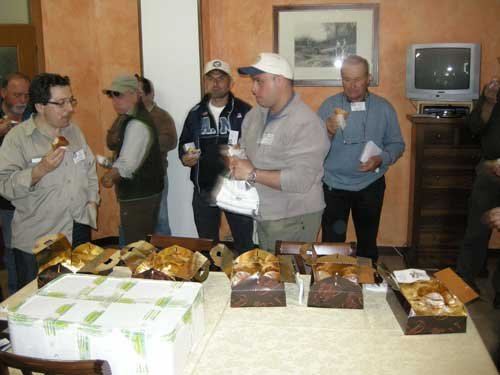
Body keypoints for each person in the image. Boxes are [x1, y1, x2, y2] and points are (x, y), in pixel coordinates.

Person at [0, 73, 99, 288]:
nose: (69, 109)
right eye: (60, 103)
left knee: (78, 294)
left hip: (78, 228)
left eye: (70, 101)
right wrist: (39, 170)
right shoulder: (18, 139)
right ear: (40, 106)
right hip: (41, 238)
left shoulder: (74, 132)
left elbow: (89, 167)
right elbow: (4, 185)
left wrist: (92, 200)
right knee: (39, 304)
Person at [232, 52, 330, 252]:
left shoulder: (306, 123)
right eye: (253, 82)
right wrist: (235, 157)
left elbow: (300, 181)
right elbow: (243, 148)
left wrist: (252, 174)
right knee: (271, 274)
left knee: (290, 277)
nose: (253, 89)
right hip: (263, 212)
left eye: (259, 81)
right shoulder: (255, 115)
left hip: (294, 217)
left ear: (280, 81)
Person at [317, 55, 405, 262]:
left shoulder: (384, 108)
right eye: (346, 79)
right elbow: (312, 148)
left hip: (370, 185)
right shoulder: (329, 106)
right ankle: (332, 287)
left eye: (358, 79)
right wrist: (327, 131)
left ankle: (368, 287)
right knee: (332, 246)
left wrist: (381, 159)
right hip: (333, 186)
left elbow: (397, 144)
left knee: (367, 244)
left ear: (369, 78)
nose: (352, 85)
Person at [178, 59, 254, 254]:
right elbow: (184, 145)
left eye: (221, 78)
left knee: (244, 244)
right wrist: (186, 158)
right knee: (207, 246)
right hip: (204, 189)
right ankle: (210, 280)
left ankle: (244, 281)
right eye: (211, 78)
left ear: (230, 83)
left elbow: (257, 149)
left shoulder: (245, 112)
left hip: (237, 189)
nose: (216, 82)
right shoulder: (195, 114)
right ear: (205, 82)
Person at [102, 75, 163, 245]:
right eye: (112, 95)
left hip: (138, 196)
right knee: (141, 246)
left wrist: (108, 177)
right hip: (144, 193)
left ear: (136, 95)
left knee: (136, 250)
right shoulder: (128, 118)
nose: (115, 100)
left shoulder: (137, 124)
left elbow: (126, 165)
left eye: (119, 94)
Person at [456, 77, 500, 308]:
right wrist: (489, 102)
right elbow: (474, 127)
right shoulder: (491, 94)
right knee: (477, 229)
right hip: (490, 171)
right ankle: (465, 282)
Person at [0, 72, 31, 294]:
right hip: (6, 201)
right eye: (17, 95)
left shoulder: (34, 117)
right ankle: (14, 302)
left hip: (33, 197)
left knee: (34, 251)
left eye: (26, 95)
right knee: (12, 253)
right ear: (3, 93)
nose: (22, 100)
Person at [136, 75, 177, 236]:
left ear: (150, 94)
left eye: (138, 92)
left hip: (156, 176)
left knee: (160, 220)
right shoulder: (127, 116)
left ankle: (165, 259)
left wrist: (140, 143)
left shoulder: (162, 116)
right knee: (132, 222)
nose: (134, 96)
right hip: (131, 180)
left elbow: (170, 141)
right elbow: (113, 141)